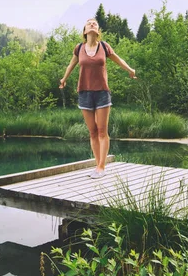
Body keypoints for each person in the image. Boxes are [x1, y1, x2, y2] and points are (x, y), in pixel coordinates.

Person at [59, 18, 137, 179]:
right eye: (89, 23)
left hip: (102, 93)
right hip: (84, 93)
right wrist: (64, 79)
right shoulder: (79, 48)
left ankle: (101, 167)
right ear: (85, 31)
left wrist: (130, 70)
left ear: (98, 31)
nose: (92, 24)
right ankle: (97, 165)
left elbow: (118, 59)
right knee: (93, 132)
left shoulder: (104, 46)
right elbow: (71, 65)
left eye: (95, 23)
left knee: (102, 131)